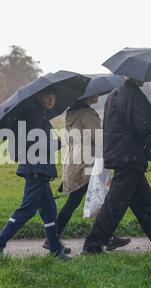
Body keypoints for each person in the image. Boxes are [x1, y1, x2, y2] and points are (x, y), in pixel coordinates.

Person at [82, 77, 151, 254]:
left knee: (145, 204)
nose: (145, 79)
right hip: (129, 157)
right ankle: (92, 245)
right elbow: (143, 126)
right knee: (115, 205)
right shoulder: (133, 94)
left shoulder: (116, 93)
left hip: (122, 155)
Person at [0, 88, 70, 260]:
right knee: (27, 209)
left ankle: (55, 248)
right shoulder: (35, 115)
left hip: (39, 169)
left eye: (53, 96)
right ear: (39, 96)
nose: (51, 99)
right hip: (35, 169)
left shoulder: (38, 114)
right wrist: (57, 144)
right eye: (47, 96)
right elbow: (35, 144)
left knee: (50, 211)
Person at [42, 95, 131, 253]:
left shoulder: (71, 113)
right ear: (87, 96)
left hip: (74, 160)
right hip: (87, 162)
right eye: (95, 93)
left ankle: (106, 236)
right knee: (96, 198)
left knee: (86, 200)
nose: (98, 95)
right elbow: (100, 139)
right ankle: (52, 238)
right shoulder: (88, 114)